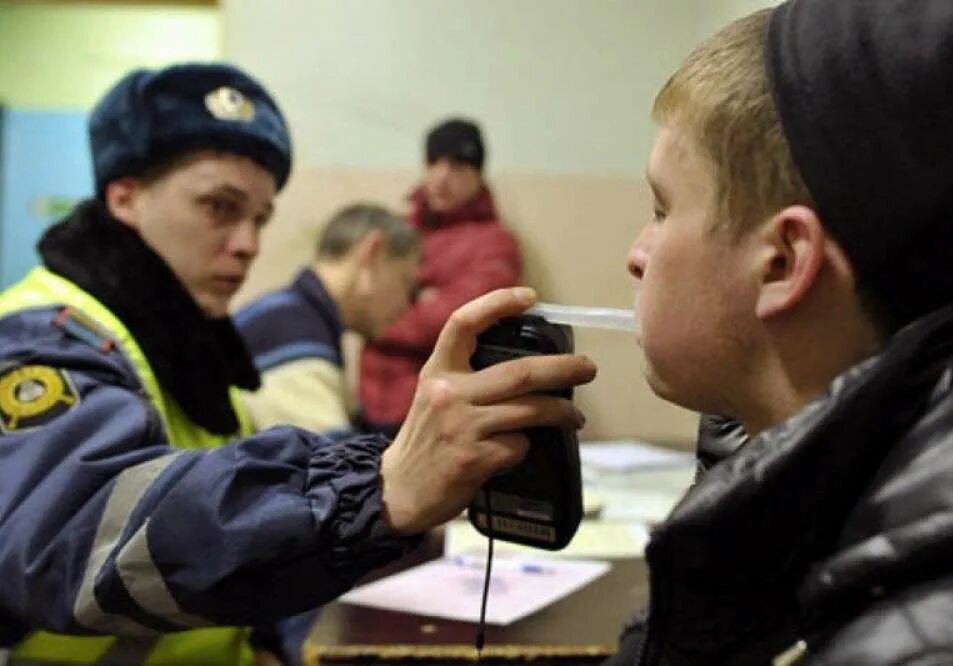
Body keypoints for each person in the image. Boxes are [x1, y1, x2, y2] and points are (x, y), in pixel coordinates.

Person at [0, 63, 594, 666]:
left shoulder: (190, 350)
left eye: (259, 218)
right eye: (219, 207)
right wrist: (379, 487)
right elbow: (68, 537)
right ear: (125, 197)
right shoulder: (39, 339)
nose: (249, 243)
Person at [604, 1, 953, 664]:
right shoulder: (806, 497)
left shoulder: (930, 637)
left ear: (783, 261)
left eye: (662, 207)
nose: (637, 254)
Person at [359, 118, 522, 435]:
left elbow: (452, 322)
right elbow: (361, 301)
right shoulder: (400, 230)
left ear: (477, 174)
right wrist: (418, 299)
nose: (441, 177)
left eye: (457, 166)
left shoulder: (495, 244)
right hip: (369, 407)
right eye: (433, 162)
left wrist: (375, 317)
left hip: (434, 415)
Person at [236, 203, 420, 436]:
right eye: (406, 284)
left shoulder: (286, 313)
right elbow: (337, 466)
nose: (406, 306)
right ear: (372, 254)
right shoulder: (292, 336)